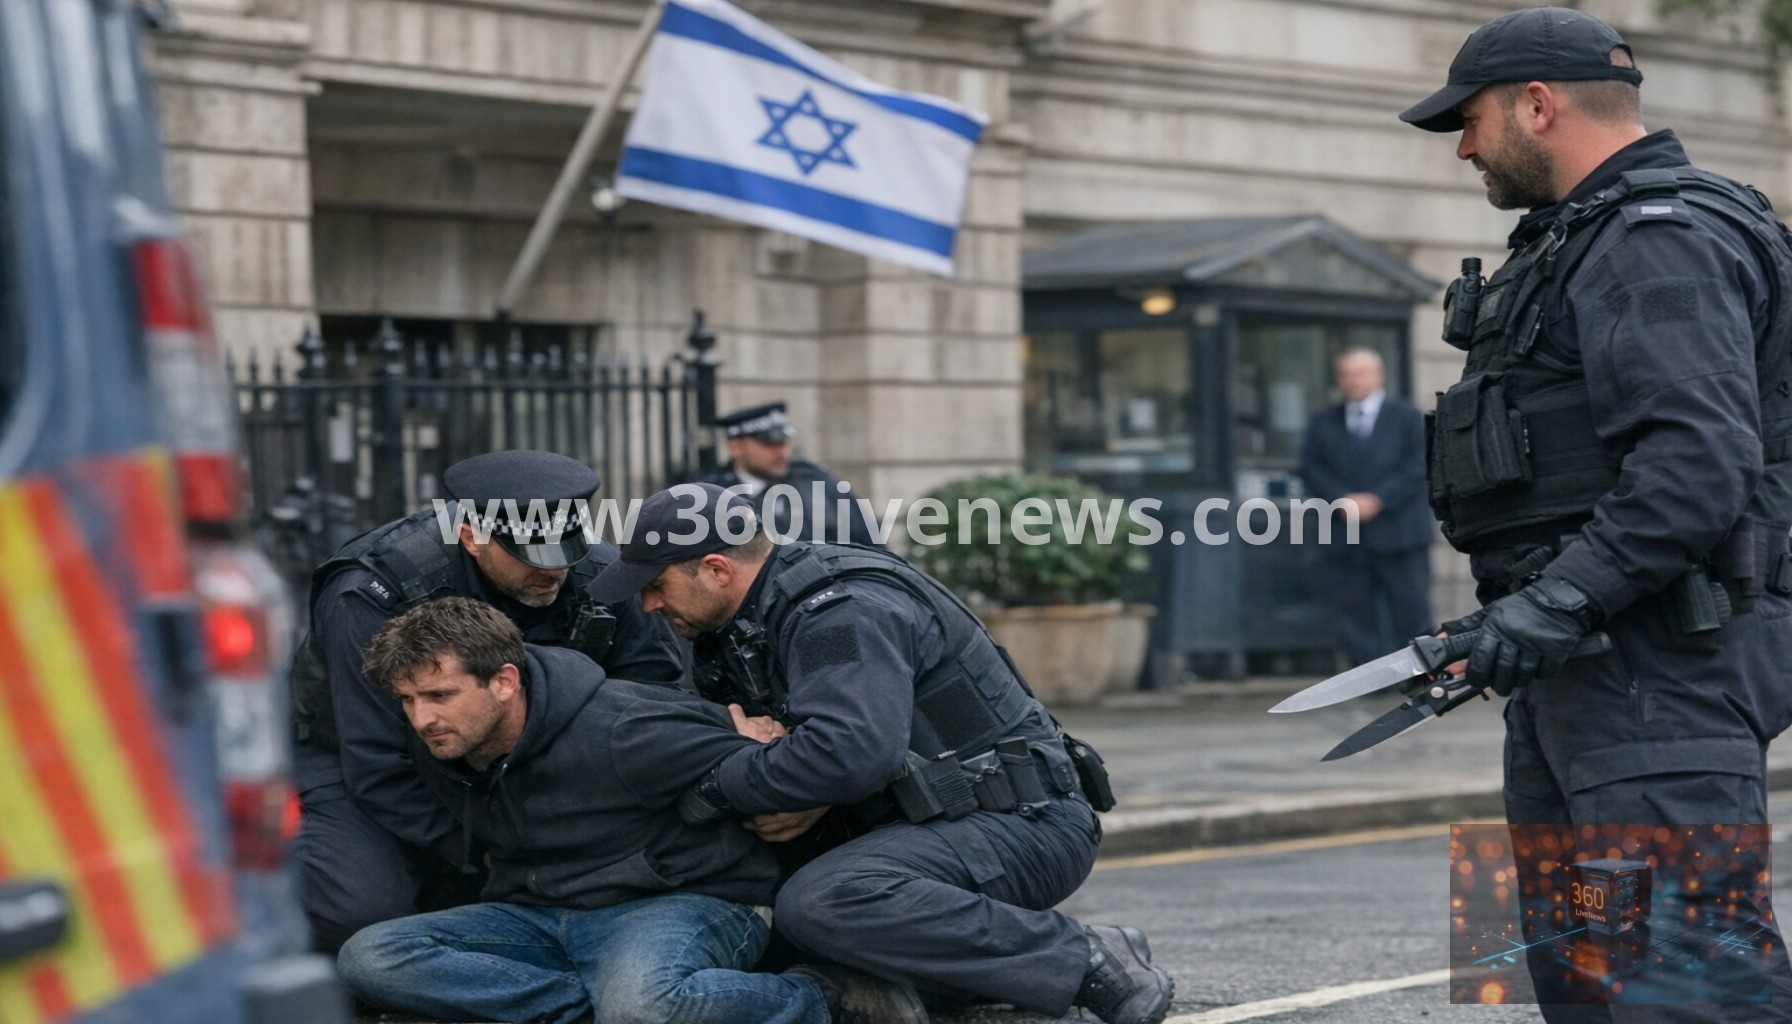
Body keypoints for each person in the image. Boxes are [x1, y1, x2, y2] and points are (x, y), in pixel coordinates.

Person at [1402, 6, 1792, 1017]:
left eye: (1470, 119)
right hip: (1583, 676)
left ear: (1537, 105)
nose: (1462, 147)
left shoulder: (1656, 237)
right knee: (1575, 970)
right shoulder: (1581, 240)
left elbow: (1696, 461)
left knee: (1681, 977)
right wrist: (1510, 615)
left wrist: (1555, 603)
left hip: (1660, 677)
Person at [589, 483, 1176, 1024]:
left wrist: (724, 783)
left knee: (825, 902)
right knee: (751, 933)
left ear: (716, 569)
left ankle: (1090, 960)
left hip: (1016, 820)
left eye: (655, 586)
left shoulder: (840, 611)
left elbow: (849, 755)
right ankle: (951, 980)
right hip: (912, 826)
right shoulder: (741, 622)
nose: (646, 607)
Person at [337, 597, 930, 1024]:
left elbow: (783, 758)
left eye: (439, 696)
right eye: (408, 700)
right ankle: (596, 1006)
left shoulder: (625, 729)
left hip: (683, 903)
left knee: (645, 1005)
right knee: (371, 957)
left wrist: (786, 775)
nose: (421, 720)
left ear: (504, 682)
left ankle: (822, 1000)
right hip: (539, 916)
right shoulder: (447, 740)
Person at [289, 449, 685, 952]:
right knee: (362, 916)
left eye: (566, 551)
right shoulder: (374, 592)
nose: (554, 573)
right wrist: (486, 851)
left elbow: (653, 693)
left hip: (518, 763)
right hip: (355, 760)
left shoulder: (594, 574)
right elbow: (374, 760)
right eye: (531, 555)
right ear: (473, 537)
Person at [1298, 347, 1432, 665]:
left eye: (1360, 374)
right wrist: (1342, 499)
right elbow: (1311, 469)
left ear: (1378, 376)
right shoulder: (1323, 421)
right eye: (1346, 375)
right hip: (1347, 534)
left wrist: (1378, 499)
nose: (1353, 381)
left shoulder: (1407, 417)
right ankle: (1366, 679)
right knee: (1354, 613)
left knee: (1411, 609)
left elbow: (1418, 466)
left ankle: (1419, 673)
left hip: (1400, 533)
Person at [697, 402, 881, 546]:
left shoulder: (817, 482)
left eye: (783, 442)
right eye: (769, 444)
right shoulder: (713, 495)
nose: (782, 452)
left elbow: (869, 543)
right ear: (735, 447)